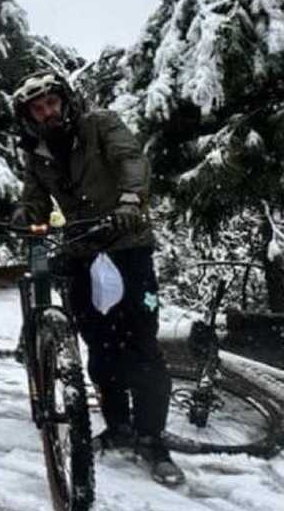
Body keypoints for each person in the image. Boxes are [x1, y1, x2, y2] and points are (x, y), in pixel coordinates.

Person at [10, 70, 184, 486]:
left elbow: (131, 159)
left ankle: (153, 439)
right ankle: (119, 426)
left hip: (127, 245)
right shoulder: (37, 153)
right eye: (38, 108)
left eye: (51, 102)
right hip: (83, 250)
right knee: (99, 343)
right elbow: (34, 199)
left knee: (141, 342)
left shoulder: (100, 124)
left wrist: (130, 199)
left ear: (65, 100)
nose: (47, 112)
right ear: (29, 116)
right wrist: (24, 216)